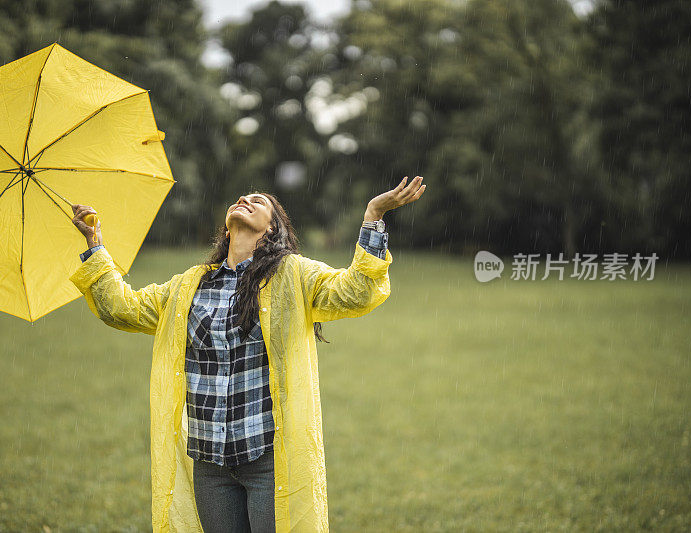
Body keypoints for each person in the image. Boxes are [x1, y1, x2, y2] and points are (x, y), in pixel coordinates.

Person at [69, 176, 426, 533]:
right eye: (243, 196)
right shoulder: (188, 286)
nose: (245, 198)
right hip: (209, 463)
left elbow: (357, 292)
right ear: (226, 232)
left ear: (272, 230)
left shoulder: (293, 275)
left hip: (268, 461)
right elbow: (121, 309)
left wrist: (374, 215)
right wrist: (94, 244)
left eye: (259, 201)